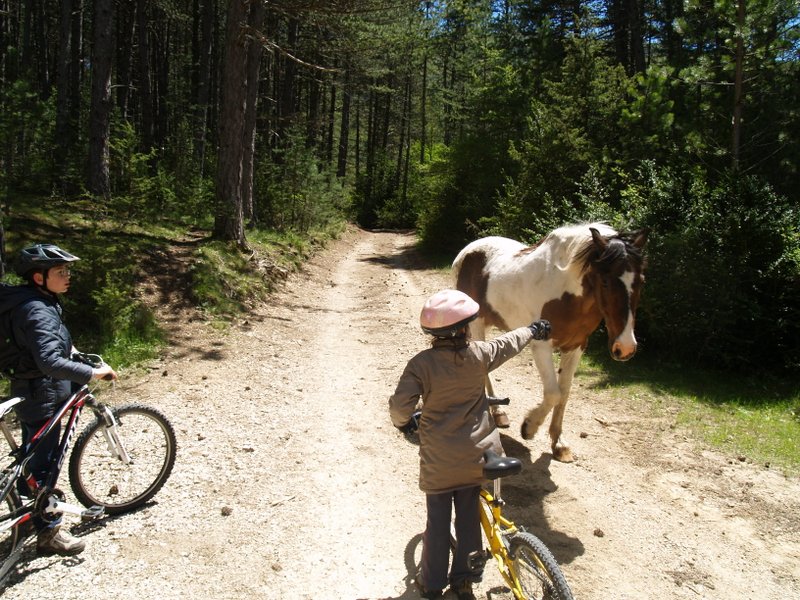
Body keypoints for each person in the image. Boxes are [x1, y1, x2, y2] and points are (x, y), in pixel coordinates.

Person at [389, 289, 551, 600]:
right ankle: (463, 581)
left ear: (432, 333)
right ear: (465, 329)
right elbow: (509, 343)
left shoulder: (420, 365)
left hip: (440, 462)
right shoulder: (481, 355)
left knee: (437, 522)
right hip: (479, 457)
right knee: (467, 516)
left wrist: (404, 423)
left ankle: (432, 585)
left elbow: (400, 408)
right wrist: (533, 329)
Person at [8, 243, 117, 555]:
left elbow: (52, 347)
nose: (68, 275)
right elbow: (49, 362)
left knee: (30, 460)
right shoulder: (37, 310)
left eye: (68, 270)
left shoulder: (37, 300)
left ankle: (26, 515)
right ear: (39, 277)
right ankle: (50, 533)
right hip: (43, 390)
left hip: (30, 387)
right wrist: (91, 374)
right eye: (60, 271)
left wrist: (76, 356)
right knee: (45, 466)